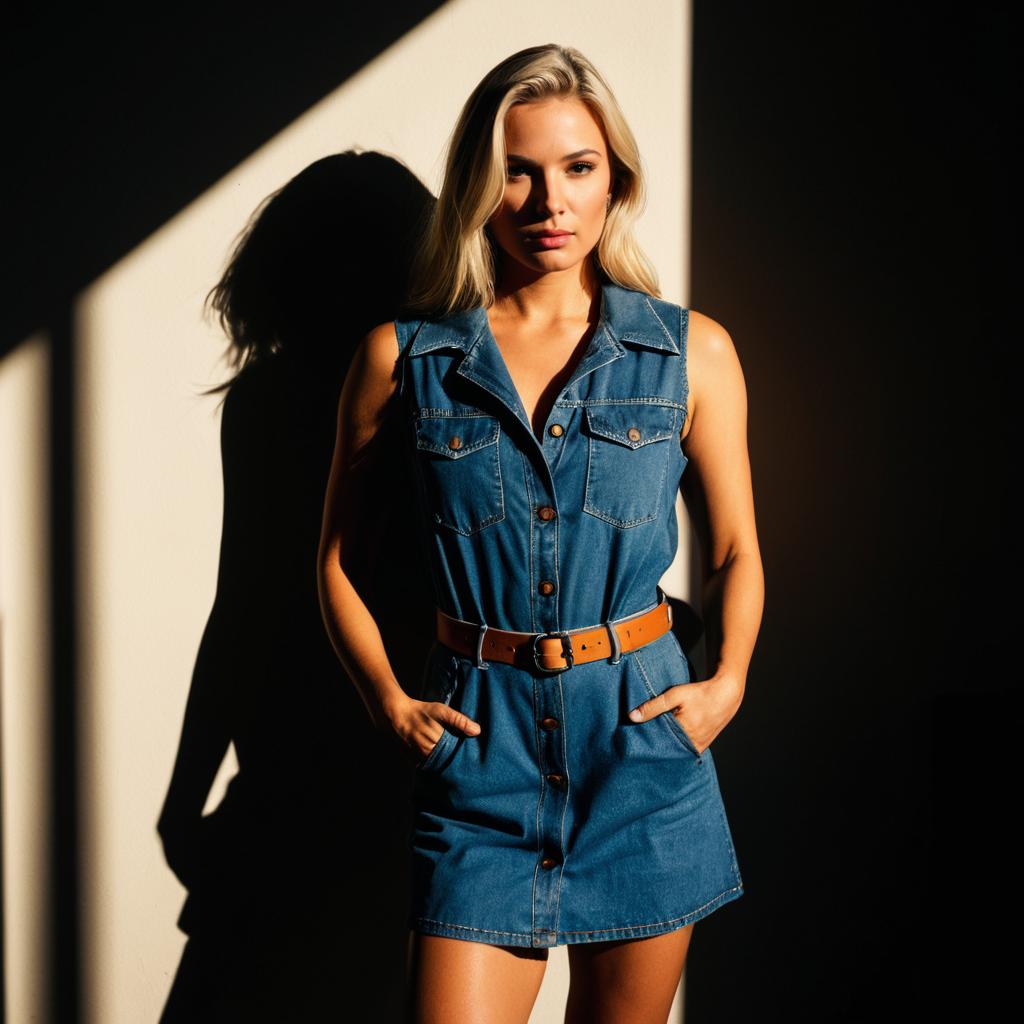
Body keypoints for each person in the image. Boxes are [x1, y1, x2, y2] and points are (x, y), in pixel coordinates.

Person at [317, 43, 764, 1024]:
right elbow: (339, 563)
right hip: (481, 764)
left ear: (616, 181)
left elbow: (733, 549)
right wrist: (390, 702)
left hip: (641, 757)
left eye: (577, 168)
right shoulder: (403, 361)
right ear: (479, 186)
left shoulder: (692, 351)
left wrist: (725, 685)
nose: (547, 201)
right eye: (516, 170)